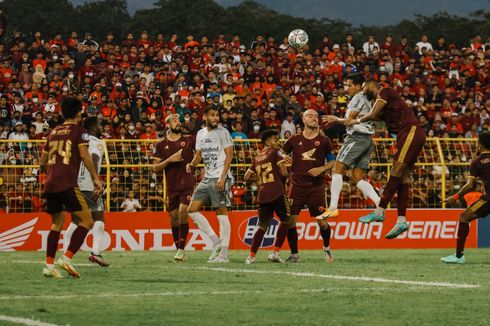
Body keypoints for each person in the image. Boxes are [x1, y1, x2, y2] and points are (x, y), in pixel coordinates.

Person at [346, 80, 426, 239]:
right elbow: (370, 116)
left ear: (372, 85)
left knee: (396, 170)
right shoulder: (383, 105)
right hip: (407, 134)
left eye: (364, 88)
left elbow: (372, 115)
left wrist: (355, 120)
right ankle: (402, 220)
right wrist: (344, 119)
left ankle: (379, 211)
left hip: (410, 131)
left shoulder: (385, 91)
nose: (363, 91)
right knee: (402, 177)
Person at [39, 97, 102, 278]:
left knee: (56, 223)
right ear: (79, 112)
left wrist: (52, 173)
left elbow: (42, 162)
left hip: (50, 182)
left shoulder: (53, 132)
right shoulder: (80, 132)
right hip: (67, 183)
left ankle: (49, 265)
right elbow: (85, 156)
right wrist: (95, 178)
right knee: (87, 221)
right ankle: (66, 258)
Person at [319, 74, 380, 219]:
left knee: (337, 169)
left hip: (356, 138)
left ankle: (333, 207)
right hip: (367, 140)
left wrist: (336, 119)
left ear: (358, 86)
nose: (347, 89)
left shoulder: (358, 97)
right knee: (357, 177)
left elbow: (350, 120)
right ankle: (379, 203)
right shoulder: (368, 99)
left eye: (349, 85)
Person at [282, 109, 335, 263]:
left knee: (322, 222)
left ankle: (326, 248)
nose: (314, 118)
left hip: (316, 187)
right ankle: (294, 254)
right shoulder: (294, 139)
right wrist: (284, 158)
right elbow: (280, 153)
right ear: (303, 120)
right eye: (310, 116)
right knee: (290, 221)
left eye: (316, 116)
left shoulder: (324, 141)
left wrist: (322, 168)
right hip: (296, 186)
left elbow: (332, 162)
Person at [186, 106, 234, 263]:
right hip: (207, 177)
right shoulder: (200, 134)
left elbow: (229, 155)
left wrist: (223, 177)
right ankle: (216, 242)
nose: (216, 118)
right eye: (212, 115)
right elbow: (199, 156)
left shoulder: (223, 132)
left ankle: (224, 254)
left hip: (219, 176)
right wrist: (191, 164)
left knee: (221, 212)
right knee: (192, 210)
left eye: (217, 115)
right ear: (205, 116)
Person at [64, 116, 109, 267]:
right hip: (89, 185)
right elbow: (94, 158)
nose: (101, 127)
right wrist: (97, 181)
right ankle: (95, 252)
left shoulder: (78, 140)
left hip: (74, 184)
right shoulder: (97, 142)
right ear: (94, 127)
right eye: (99, 125)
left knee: (76, 220)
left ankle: (65, 252)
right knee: (99, 219)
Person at [441, 132, 490, 264]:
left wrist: (455, 196)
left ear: (481, 144)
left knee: (464, 217)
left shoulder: (477, 162)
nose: (475, 144)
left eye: (477, 142)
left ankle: (459, 256)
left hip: (489, 199)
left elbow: (470, 186)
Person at [152, 114, 195, 262]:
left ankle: (181, 249)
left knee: (184, 211)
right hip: (172, 187)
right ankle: (179, 250)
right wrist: (170, 160)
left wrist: (195, 164)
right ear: (168, 124)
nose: (179, 123)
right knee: (174, 217)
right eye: (175, 120)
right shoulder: (160, 145)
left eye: (179, 120)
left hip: (188, 184)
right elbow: (155, 168)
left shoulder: (189, 140)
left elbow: (201, 152)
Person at [243, 130, 290, 264]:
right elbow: (284, 172)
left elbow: (246, 176)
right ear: (269, 142)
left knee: (262, 225)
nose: (278, 143)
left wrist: (259, 178)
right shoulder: (276, 153)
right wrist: (282, 176)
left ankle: (251, 256)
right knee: (286, 220)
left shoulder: (256, 157)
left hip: (262, 194)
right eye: (276, 140)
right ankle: (275, 253)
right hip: (277, 192)